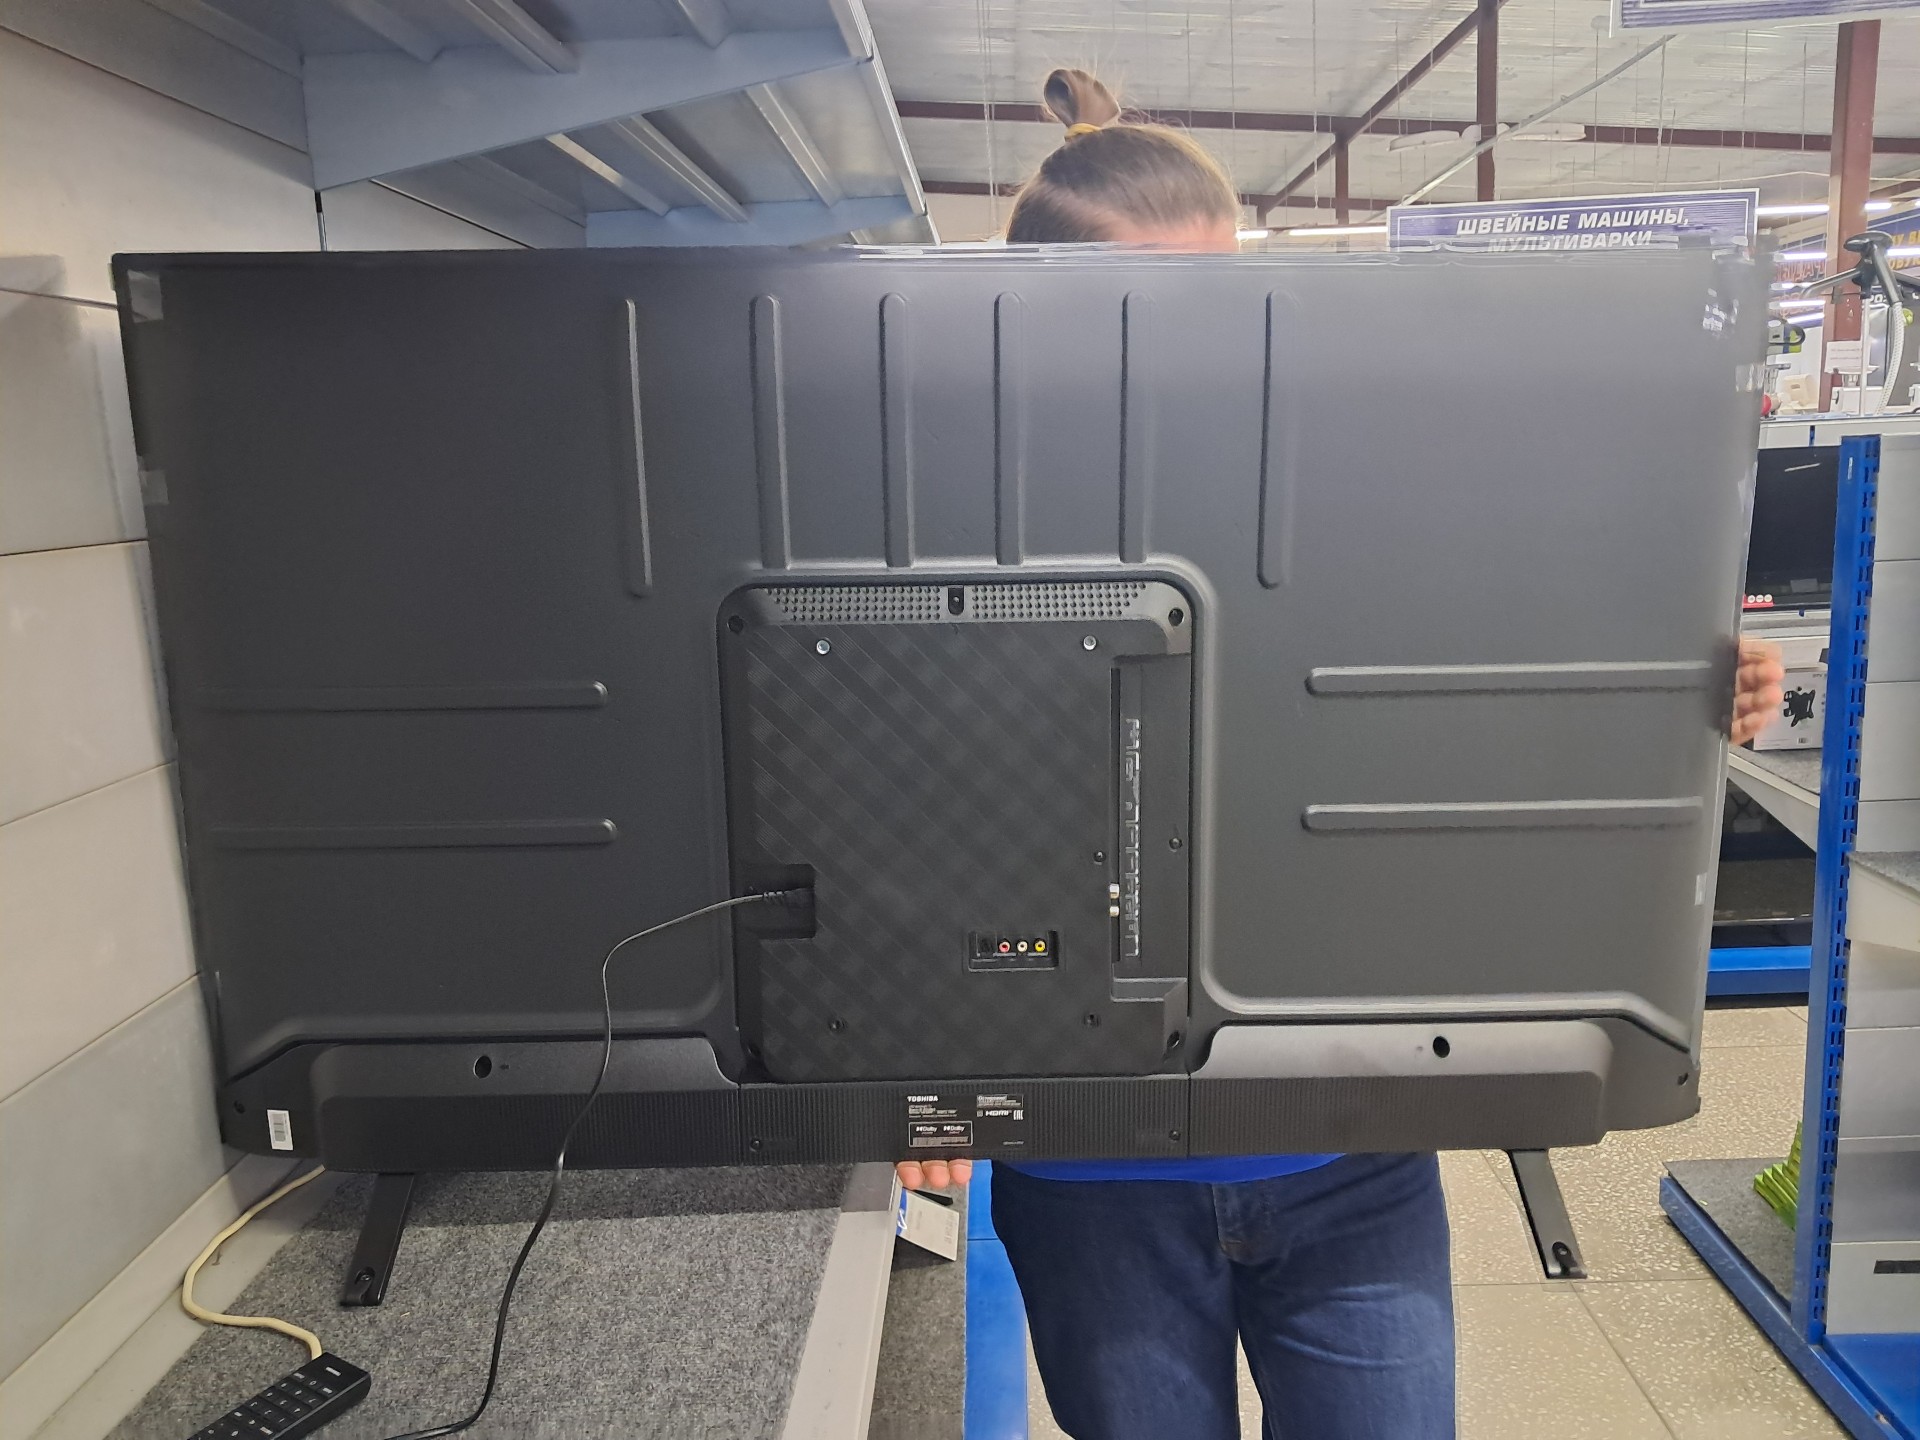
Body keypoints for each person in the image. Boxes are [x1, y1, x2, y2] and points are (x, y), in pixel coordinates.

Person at [896, 68, 1788, 1440]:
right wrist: (911, 1080)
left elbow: (1492, 669)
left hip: (1351, 1150)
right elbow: (893, 821)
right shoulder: (950, 530)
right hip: (1093, 1172)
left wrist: (1683, 683)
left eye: (1233, 302)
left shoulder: (1336, 495)